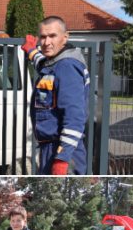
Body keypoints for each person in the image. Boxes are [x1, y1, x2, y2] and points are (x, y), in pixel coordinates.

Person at [20, 16, 90, 175]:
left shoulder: (67, 67)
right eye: (43, 37)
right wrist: (32, 51)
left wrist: (62, 158)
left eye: (52, 36)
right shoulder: (56, 62)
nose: (46, 42)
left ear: (65, 37)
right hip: (51, 149)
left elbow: (74, 118)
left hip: (62, 151)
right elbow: (43, 66)